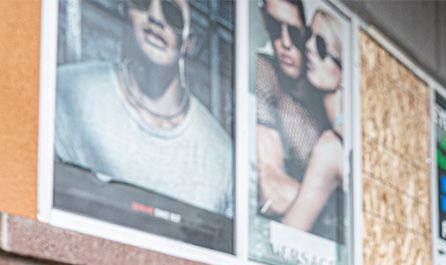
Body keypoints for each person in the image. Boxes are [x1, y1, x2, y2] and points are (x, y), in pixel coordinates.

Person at [55, 0, 233, 217]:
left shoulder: (221, 153)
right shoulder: (69, 89)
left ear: (189, 43)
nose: (156, 18)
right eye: (141, 2)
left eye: (172, 13)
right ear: (125, 11)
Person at [254, 0, 324, 218]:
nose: (285, 43)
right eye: (275, 29)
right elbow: (271, 187)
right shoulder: (264, 72)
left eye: (294, 33)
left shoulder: (324, 97)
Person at [281, 8, 345, 240]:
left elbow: (288, 236)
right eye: (308, 36)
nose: (307, 47)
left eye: (321, 46)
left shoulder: (332, 147)